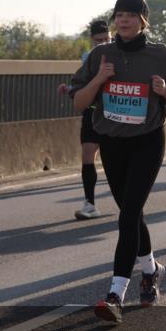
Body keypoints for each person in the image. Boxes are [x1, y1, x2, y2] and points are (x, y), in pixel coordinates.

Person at [70, 0, 166, 323]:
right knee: (130, 213)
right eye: (119, 15)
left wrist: (165, 91)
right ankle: (151, 271)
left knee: (130, 212)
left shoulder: (159, 54)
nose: (123, 21)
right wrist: (98, 79)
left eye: (131, 16)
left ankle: (115, 293)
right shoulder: (100, 55)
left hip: (148, 141)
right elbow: (79, 103)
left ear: (142, 21)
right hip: (112, 141)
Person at [58, 20, 111, 219]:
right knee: (88, 153)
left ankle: (128, 203)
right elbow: (83, 84)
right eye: (99, 40)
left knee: (113, 159)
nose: (103, 43)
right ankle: (90, 204)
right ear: (92, 39)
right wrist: (69, 90)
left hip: (113, 113)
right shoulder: (88, 57)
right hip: (92, 111)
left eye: (107, 39)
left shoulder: (121, 54)